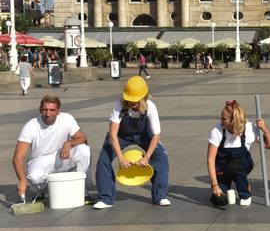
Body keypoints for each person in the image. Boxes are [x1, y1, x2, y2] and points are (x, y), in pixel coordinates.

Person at [94, 76, 170, 209]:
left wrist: (147, 157)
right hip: (120, 135)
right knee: (103, 160)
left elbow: (156, 134)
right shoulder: (119, 105)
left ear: (143, 97)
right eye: (128, 100)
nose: (131, 103)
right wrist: (121, 158)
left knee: (161, 156)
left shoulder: (150, 107)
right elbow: (112, 134)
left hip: (144, 135)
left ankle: (160, 196)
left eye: (134, 101)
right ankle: (105, 198)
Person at [12, 95, 91, 200]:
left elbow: (82, 138)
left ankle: (82, 191)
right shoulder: (31, 126)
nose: (48, 114)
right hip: (39, 160)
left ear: (58, 111)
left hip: (60, 156)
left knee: (84, 150)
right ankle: (40, 192)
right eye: (45, 110)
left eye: (52, 110)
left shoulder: (66, 118)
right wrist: (22, 180)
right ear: (40, 110)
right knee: (35, 178)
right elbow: (18, 157)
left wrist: (68, 144)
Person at [207, 100, 270, 207]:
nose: (221, 120)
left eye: (224, 118)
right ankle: (238, 183)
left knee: (235, 167)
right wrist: (214, 185)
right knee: (218, 199)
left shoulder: (249, 129)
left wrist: (264, 130)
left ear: (234, 121)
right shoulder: (217, 130)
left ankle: (245, 194)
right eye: (221, 116)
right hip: (222, 167)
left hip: (242, 164)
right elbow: (211, 160)